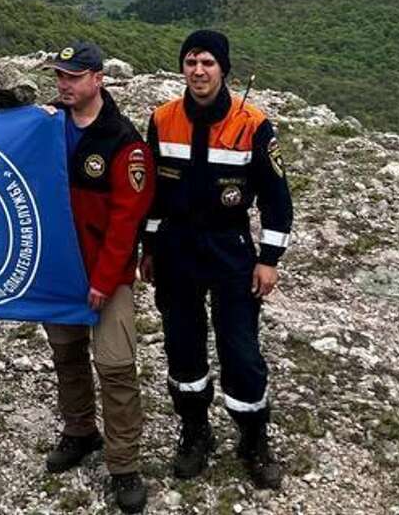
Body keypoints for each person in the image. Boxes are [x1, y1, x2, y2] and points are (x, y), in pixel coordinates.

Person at [142, 29, 292, 489]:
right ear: (182, 68)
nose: (199, 71)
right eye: (190, 62)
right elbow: (151, 195)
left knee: (240, 352)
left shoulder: (253, 123)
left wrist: (268, 259)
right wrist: (149, 247)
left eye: (207, 62)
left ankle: (253, 439)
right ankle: (195, 431)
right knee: (182, 347)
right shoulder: (162, 119)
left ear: (223, 68)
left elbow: (277, 198)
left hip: (230, 252)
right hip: (177, 251)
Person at [40, 43, 154, 513]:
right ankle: (79, 430)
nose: (64, 83)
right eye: (59, 76)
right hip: (61, 273)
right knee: (66, 355)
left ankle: (124, 463)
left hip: (106, 277)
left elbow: (127, 223)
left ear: (98, 79)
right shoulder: (47, 127)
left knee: (115, 367)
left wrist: (105, 280)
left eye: (73, 76)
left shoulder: (123, 143)